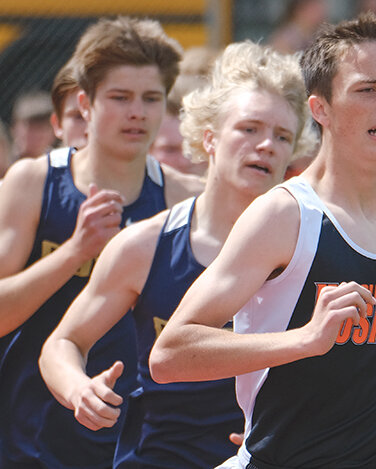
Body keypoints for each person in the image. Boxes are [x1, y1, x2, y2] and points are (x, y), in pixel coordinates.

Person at [150, 13, 376, 468]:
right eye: (368, 89)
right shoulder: (284, 215)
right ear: (320, 108)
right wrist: (303, 340)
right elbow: (170, 353)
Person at [39, 41, 313, 468]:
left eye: (282, 136)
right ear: (209, 138)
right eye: (249, 128)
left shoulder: (311, 249)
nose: (266, 146)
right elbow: (63, 341)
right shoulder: (145, 246)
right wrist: (79, 388)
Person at [0, 16, 201, 468]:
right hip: (29, 438)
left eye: (151, 99)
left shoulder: (182, 198)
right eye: (120, 97)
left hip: (140, 444)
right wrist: (75, 251)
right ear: (84, 104)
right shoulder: (36, 182)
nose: (138, 112)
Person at [50, 58, 89, 150]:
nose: (89, 129)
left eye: (98, 116)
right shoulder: (40, 164)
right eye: (79, 117)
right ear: (58, 124)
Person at [10, 89, 58, 161]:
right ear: (14, 127)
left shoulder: (60, 162)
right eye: (30, 128)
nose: (36, 135)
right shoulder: (3, 161)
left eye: (42, 129)